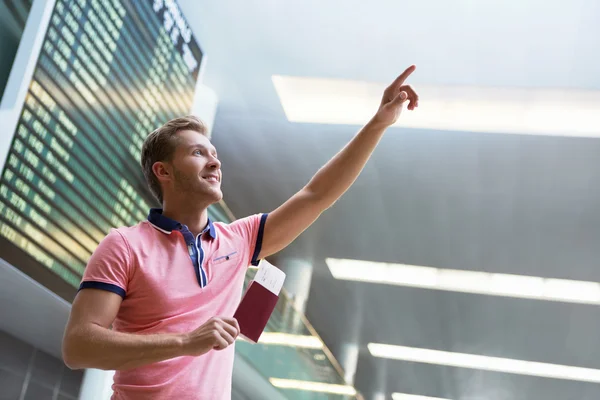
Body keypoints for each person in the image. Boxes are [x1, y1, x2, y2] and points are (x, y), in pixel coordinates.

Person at [61, 65, 419, 399]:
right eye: (198, 153)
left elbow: (317, 195)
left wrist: (378, 123)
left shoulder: (240, 239)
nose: (215, 162)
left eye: (214, 153)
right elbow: (78, 346)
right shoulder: (124, 245)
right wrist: (185, 342)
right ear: (164, 172)